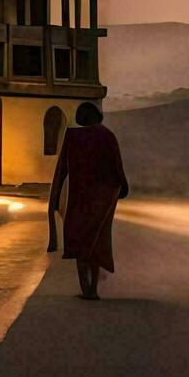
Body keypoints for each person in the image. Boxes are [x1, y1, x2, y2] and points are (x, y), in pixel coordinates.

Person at [47, 102, 129, 300]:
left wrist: (54, 200)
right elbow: (117, 168)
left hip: (79, 199)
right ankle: (92, 290)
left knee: (79, 241)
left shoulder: (73, 137)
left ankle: (86, 290)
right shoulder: (107, 136)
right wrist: (122, 189)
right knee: (95, 241)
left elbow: (61, 172)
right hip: (101, 199)